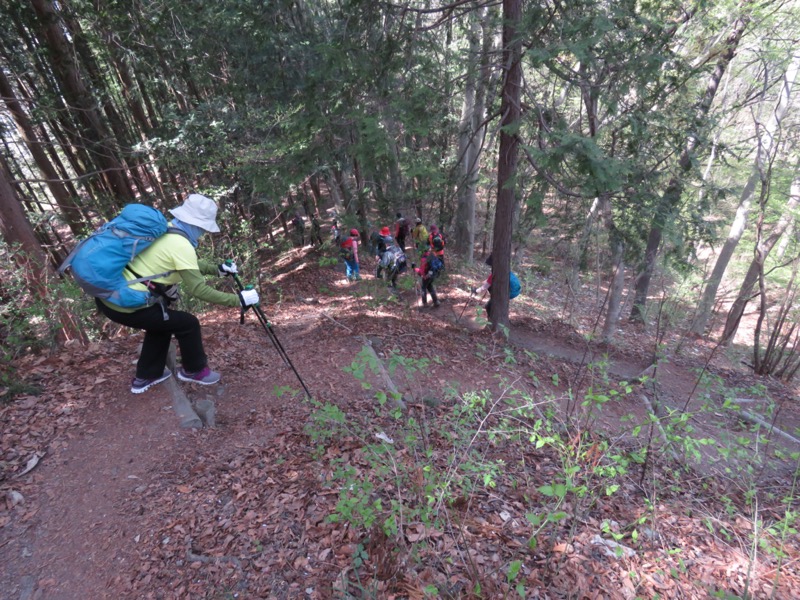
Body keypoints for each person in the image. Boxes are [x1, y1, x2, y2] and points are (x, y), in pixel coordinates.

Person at [95, 194, 260, 394]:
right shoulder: (181, 245)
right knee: (187, 323)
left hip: (111, 299)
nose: (203, 233)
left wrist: (216, 269)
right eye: (203, 229)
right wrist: (238, 299)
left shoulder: (165, 231)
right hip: (128, 305)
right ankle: (194, 370)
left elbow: (185, 263)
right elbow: (198, 289)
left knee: (162, 323)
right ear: (197, 225)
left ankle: (146, 375)